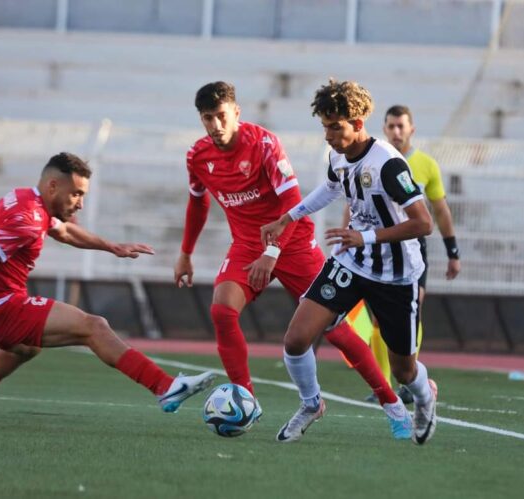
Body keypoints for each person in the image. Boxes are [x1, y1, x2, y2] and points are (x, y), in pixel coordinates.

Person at [0, 152, 215, 425]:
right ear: (53, 185)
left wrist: (111, 246)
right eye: (76, 194)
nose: (80, 203)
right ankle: (165, 386)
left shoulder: (27, 199)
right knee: (94, 326)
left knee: (24, 349)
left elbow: (66, 232)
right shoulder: (26, 220)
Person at [174, 81, 407, 439]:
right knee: (221, 310)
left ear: (236, 112)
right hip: (247, 246)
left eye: (222, 116)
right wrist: (186, 253)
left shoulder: (264, 144)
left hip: (294, 242)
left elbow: (292, 201)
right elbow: (198, 202)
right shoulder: (198, 156)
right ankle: (244, 400)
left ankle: (392, 404)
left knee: (336, 331)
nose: (216, 125)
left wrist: (273, 251)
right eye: (208, 118)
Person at [262, 80, 438, 445]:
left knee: (404, 371)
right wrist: (289, 216)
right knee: (296, 339)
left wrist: (366, 236)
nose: (327, 134)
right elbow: (330, 187)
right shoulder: (338, 155)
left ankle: (424, 399)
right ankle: (311, 404)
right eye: (324, 126)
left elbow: (424, 223)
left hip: (396, 274)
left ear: (358, 122)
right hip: (353, 263)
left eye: (335, 126)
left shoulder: (388, 163)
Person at [361, 105, 461, 404]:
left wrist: (452, 251)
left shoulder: (426, 165)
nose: (396, 132)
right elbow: (355, 204)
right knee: (377, 319)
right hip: (376, 246)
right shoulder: (373, 161)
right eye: (391, 126)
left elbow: (440, 210)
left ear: (411, 129)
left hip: (413, 248)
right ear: (384, 128)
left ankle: (409, 375)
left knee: (412, 308)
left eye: (401, 126)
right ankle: (383, 384)